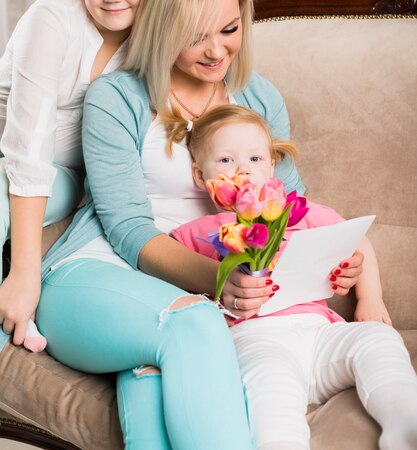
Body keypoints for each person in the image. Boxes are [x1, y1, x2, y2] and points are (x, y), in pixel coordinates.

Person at [34, 0, 363, 449]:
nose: (216, 51)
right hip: (99, 273)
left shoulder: (258, 97)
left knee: (151, 400)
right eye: (195, 37)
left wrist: (331, 262)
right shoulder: (117, 97)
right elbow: (126, 229)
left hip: (186, 293)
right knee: (195, 322)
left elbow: (288, 208)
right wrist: (221, 279)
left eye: (229, 30)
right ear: (163, 29)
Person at [170, 104, 417, 450]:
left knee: (377, 340)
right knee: (270, 393)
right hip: (254, 340)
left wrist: (369, 296)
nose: (242, 170)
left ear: (272, 166)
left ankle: (405, 423)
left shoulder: (296, 211)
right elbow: (167, 290)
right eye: (226, 161)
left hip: (320, 332)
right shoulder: (193, 233)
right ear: (200, 176)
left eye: (255, 160)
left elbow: (357, 239)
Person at [0, 0, 174, 351]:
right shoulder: (54, 17)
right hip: (13, 160)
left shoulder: (156, 33)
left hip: (71, 177)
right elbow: (27, 146)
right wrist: (24, 274)